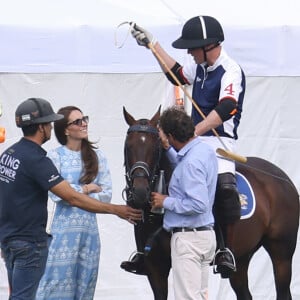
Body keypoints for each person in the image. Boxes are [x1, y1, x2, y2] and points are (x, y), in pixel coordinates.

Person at [127, 15, 245, 277]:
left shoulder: (231, 70)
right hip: (190, 140)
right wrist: (152, 45)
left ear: (208, 46)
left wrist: (193, 133)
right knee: (152, 172)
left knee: (225, 187)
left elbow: (225, 108)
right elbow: (177, 74)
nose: (189, 53)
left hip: (218, 143)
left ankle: (225, 249)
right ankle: (143, 248)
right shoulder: (199, 67)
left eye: (192, 47)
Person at [0, 98, 142, 300]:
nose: (50, 127)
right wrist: (113, 208)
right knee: (35, 294)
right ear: (41, 127)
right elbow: (67, 197)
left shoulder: (9, 154)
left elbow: (6, 196)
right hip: (32, 242)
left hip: (15, 239)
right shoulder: (39, 159)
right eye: (48, 123)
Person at [36, 106, 112, 299]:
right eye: (77, 121)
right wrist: (86, 188)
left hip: (89, 234)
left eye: (84, 119)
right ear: (65, 129)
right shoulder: (55, 156)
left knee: (85, 287)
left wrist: (72, 191)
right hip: (63, 234)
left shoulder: (98, 157)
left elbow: (107, 194)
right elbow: (57, 195)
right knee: (54, 286)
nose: (84, 123)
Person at [151, 107, 217, 300]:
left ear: (171, 135)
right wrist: (168, 148)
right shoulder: (203, 150)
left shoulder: (190, 163)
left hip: (189, 240)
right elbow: (185, 165)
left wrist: (166, 201)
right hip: (206, 237)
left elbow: (199, 204)